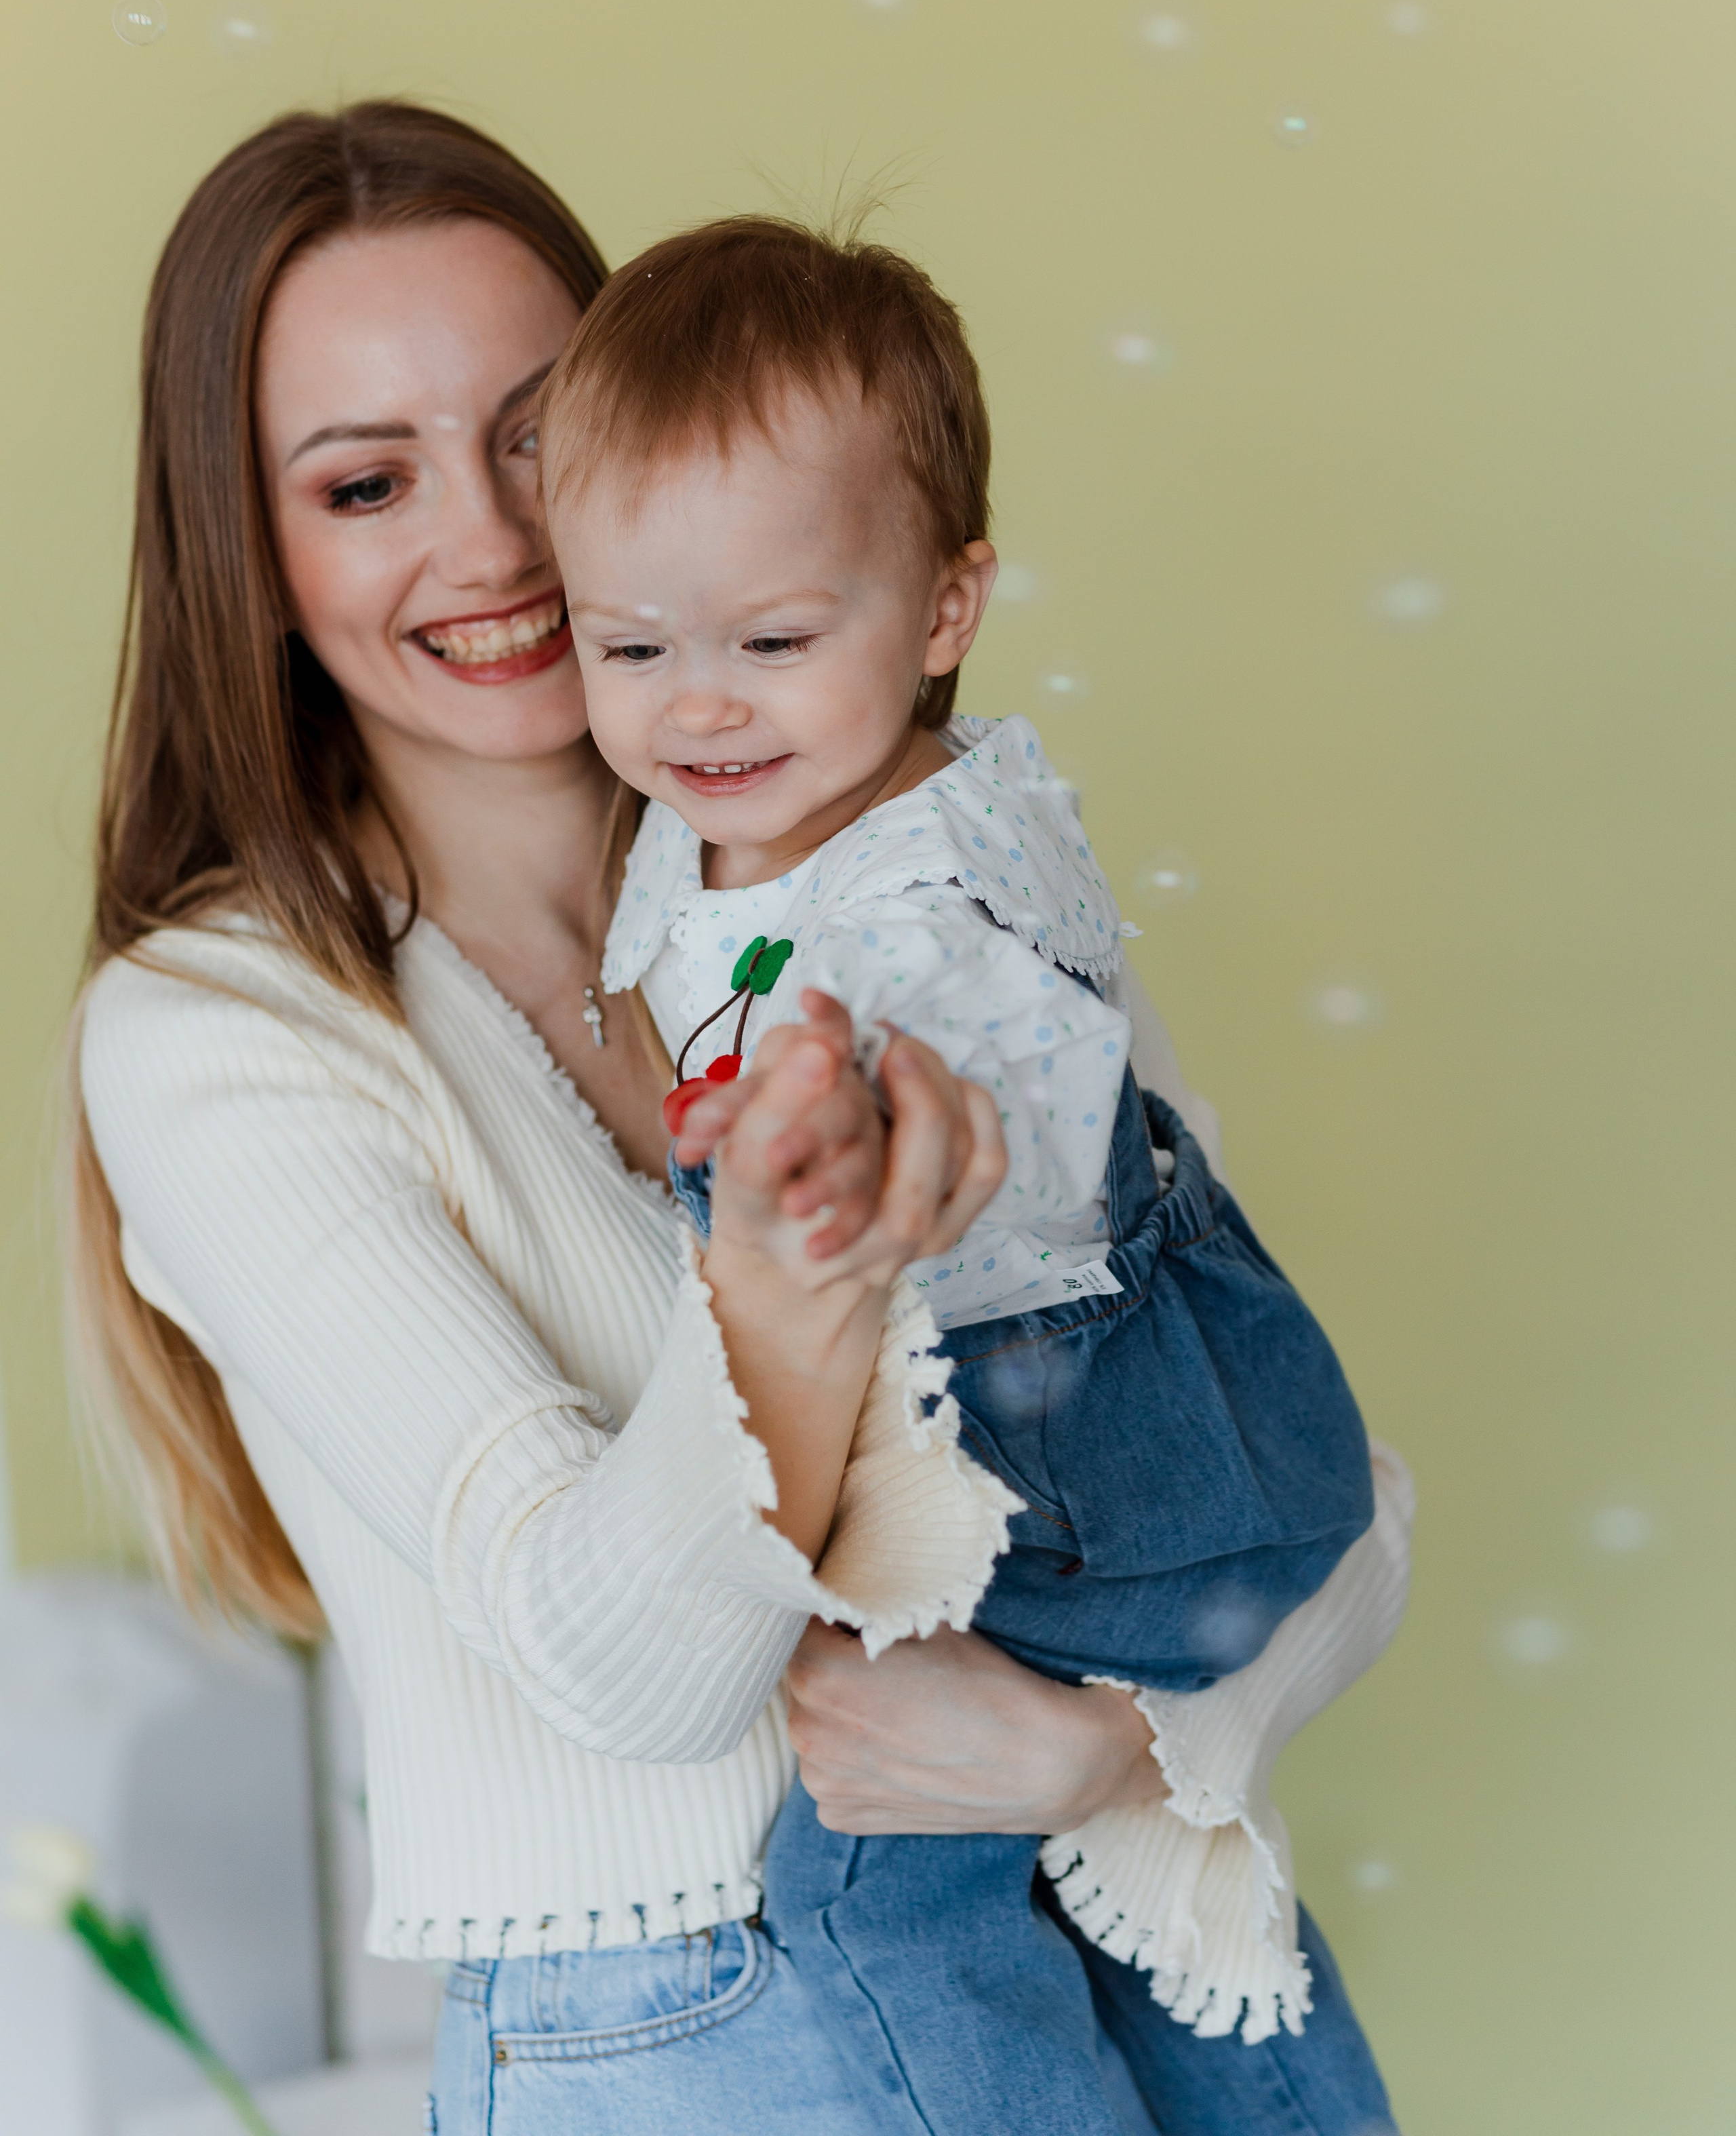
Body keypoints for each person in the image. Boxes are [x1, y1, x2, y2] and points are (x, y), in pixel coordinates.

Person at [69, 101, 1409, 2136]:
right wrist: (789, 1298)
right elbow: (625, 1675)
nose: (500, 540)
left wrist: (1111, 1757)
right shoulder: (217, 1033)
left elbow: (1331, 1495)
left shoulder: (903, 868)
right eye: (363, 482)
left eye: (536, 438)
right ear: (251, 557)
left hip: (1128, 1917)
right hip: (687, 2029)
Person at [540, 212, 1402, 2135]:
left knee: (864, 1902)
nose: (700, 708)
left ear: (945, 610)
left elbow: (995, 1119)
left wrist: (818, 1171)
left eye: (773, 641)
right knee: (1175, 1915)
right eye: (631, 646)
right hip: (1134, 1486)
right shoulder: (737, 828)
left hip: (1082, 1474)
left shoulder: (934, 889)